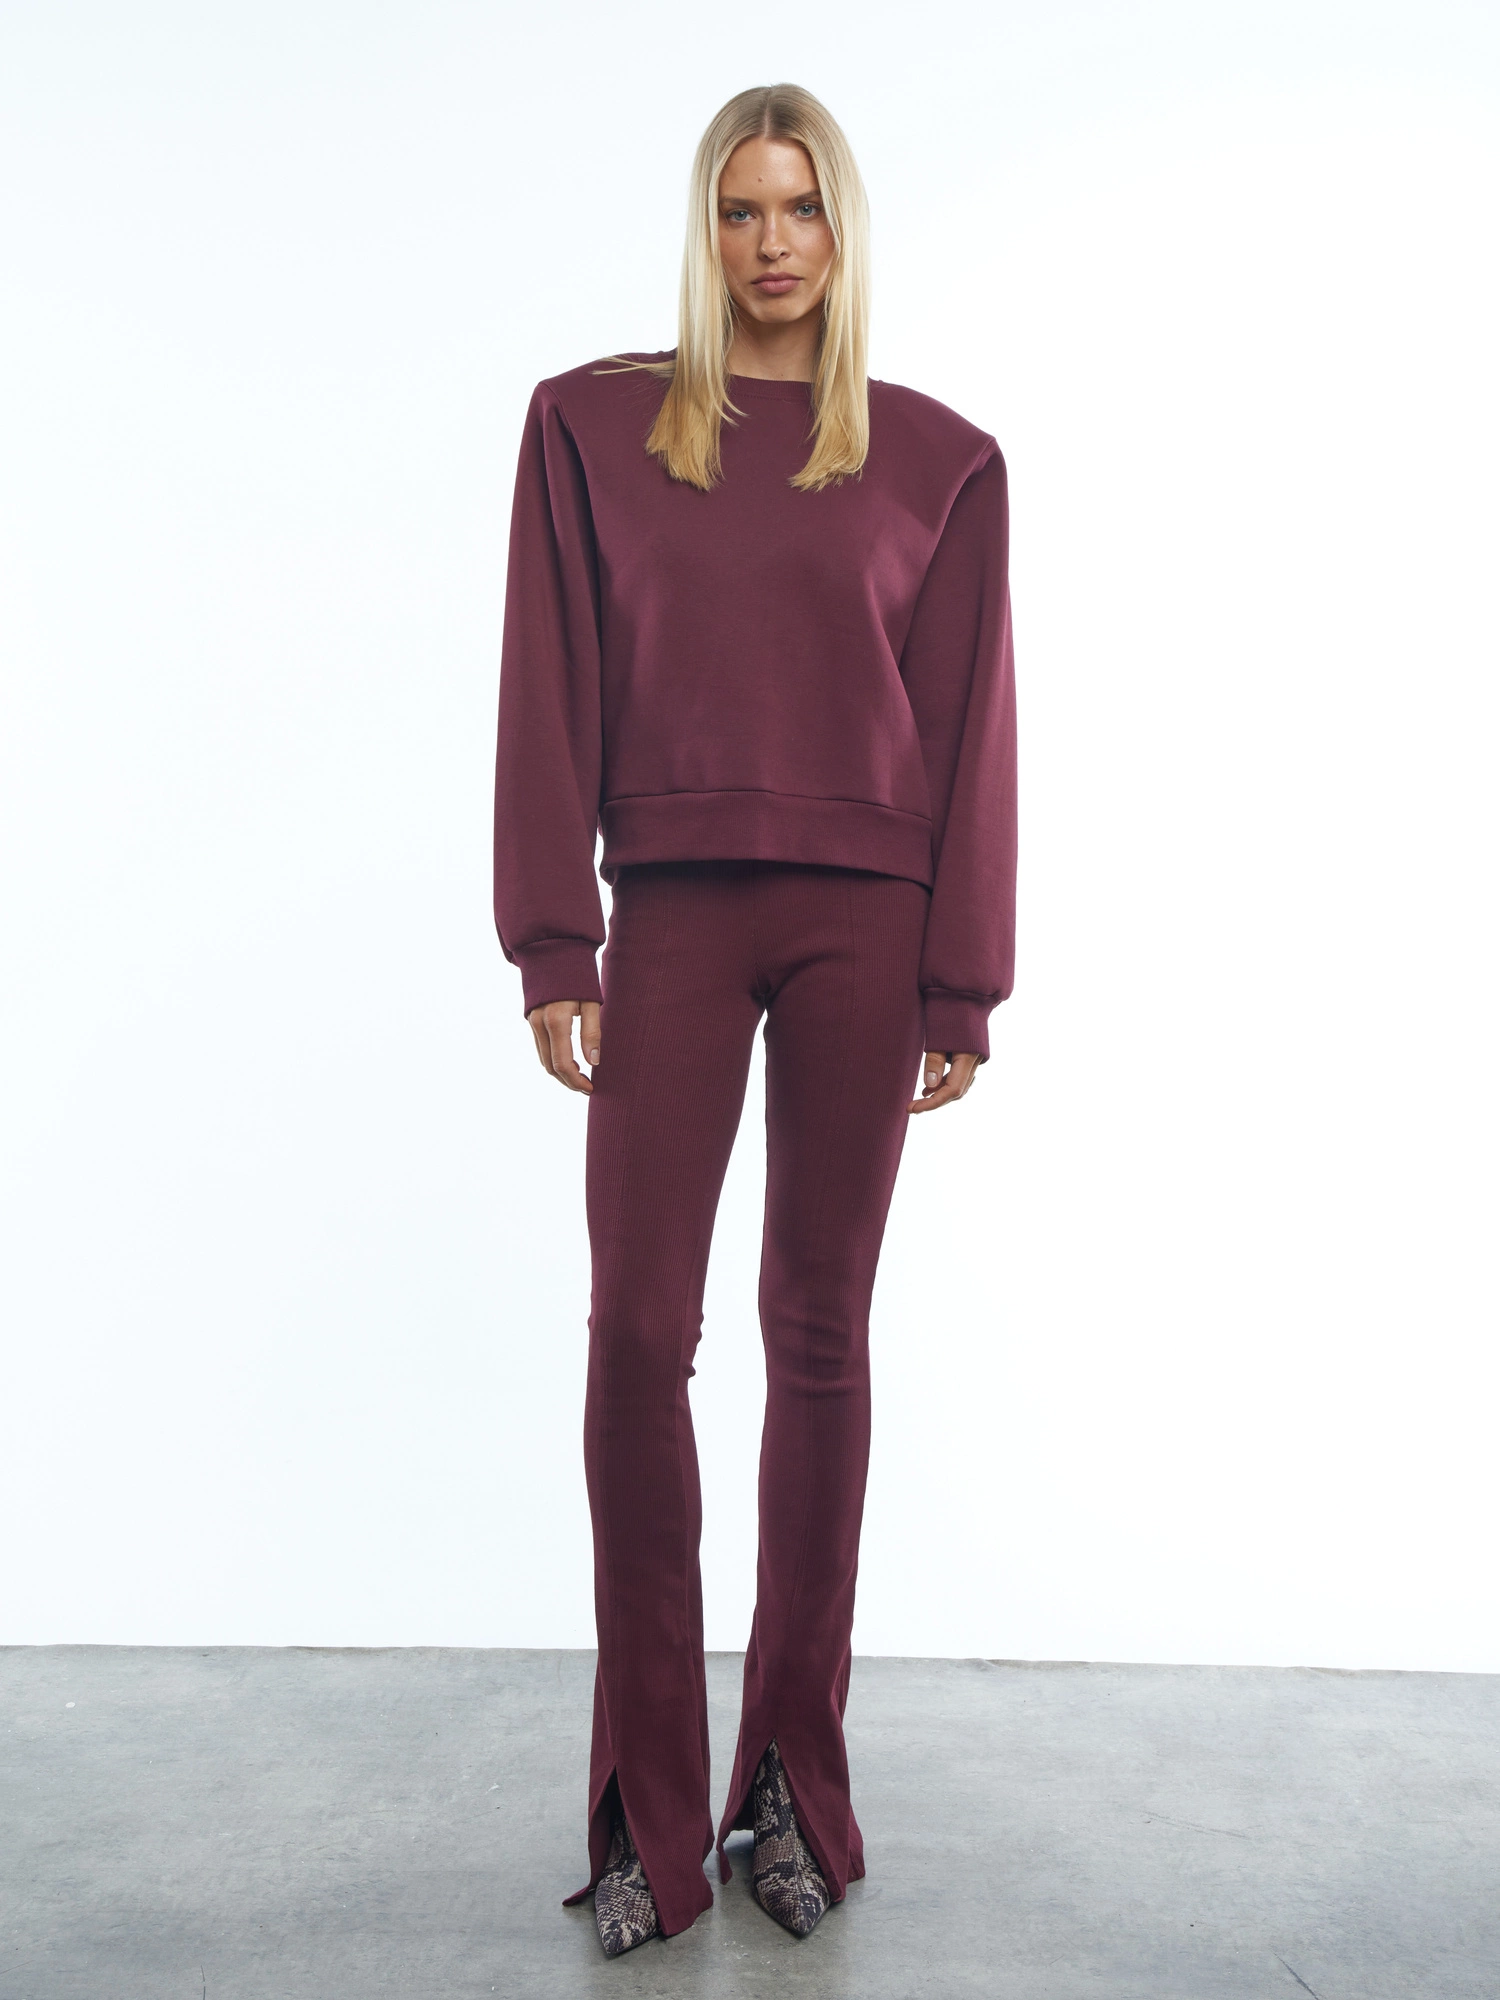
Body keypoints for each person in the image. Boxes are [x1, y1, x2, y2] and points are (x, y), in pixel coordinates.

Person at [492, 81, 1017, 1957]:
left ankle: (791, 1784)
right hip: (673, 914)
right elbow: (547, 684)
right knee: (639, 1334)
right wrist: (555, 941)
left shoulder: (940, 461)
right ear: (705, 232)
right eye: (740, 209)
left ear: (841, 228)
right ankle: (647, 1809)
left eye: (801, 208)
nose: (773, 242)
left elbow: (969, 729)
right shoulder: (594, 427)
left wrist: (963, 975)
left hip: (870, 923)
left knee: (820, 1333)